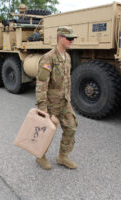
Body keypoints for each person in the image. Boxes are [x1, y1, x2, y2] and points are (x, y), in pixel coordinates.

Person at [35, 26, 78, 170]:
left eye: (73, 38)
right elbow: (41, 83)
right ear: (60, 38)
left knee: (71, 128)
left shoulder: (68, 57)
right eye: (69, 38)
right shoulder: (49, 57)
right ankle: (40, 156)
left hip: (65, 101)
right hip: (51, 103)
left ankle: (62, 156)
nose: (72, 41)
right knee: (47, 131)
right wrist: (42, 108)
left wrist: (69, 98)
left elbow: (67, 80)